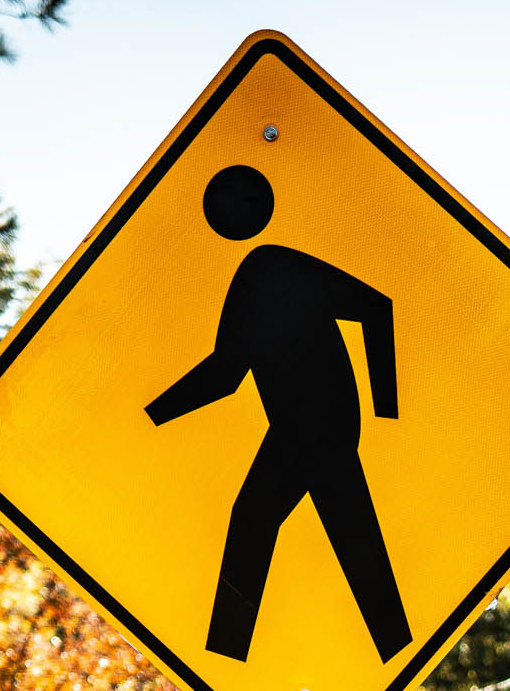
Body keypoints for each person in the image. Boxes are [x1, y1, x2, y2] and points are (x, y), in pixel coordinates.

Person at [147, 163, 411, 663]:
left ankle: (226, 655)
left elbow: (377, 307)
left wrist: (387, 412)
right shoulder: (254, 276)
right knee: (351, 537)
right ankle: (394, 646)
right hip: (301, 426)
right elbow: (227, 374)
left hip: (318, 425)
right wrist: (152, 414)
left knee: (256, 520)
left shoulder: (273, 267)